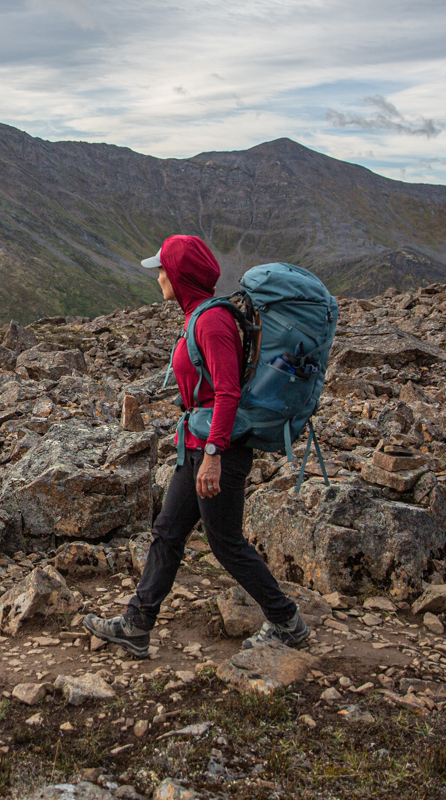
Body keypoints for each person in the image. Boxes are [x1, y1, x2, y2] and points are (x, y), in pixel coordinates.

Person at [83, 235, 309, 657]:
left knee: (225, 543)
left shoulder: (210, 322)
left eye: (163, 269)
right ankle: (136, 624)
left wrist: (213, 455)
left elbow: (227, 394)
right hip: (197, 443)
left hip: (218, 449)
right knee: (167, 532)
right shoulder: (198, 316)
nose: (159, 277)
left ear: (181, 275)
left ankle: (286, 621)